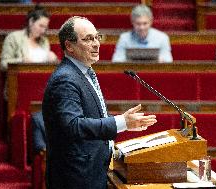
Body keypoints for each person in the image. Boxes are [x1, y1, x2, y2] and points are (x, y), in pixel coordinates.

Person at [42, 16, 157, 189]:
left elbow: (93, 115)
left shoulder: (83, 73)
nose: (96, 44)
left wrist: (124, 124)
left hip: (92, 169)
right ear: (69, 46)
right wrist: (120, 122)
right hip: (76, 176)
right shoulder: (65, 79)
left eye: (97, 37)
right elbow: (72, 126)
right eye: (88, 39)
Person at [0, 4, 57, 71]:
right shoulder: (14, 37)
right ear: (31, 22)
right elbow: (3, 64)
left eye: (45, 27)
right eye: (41, 26)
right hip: (20, 78)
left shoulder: (44, 40)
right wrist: (21, 61)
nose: (43, 31)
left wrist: (54, 59)